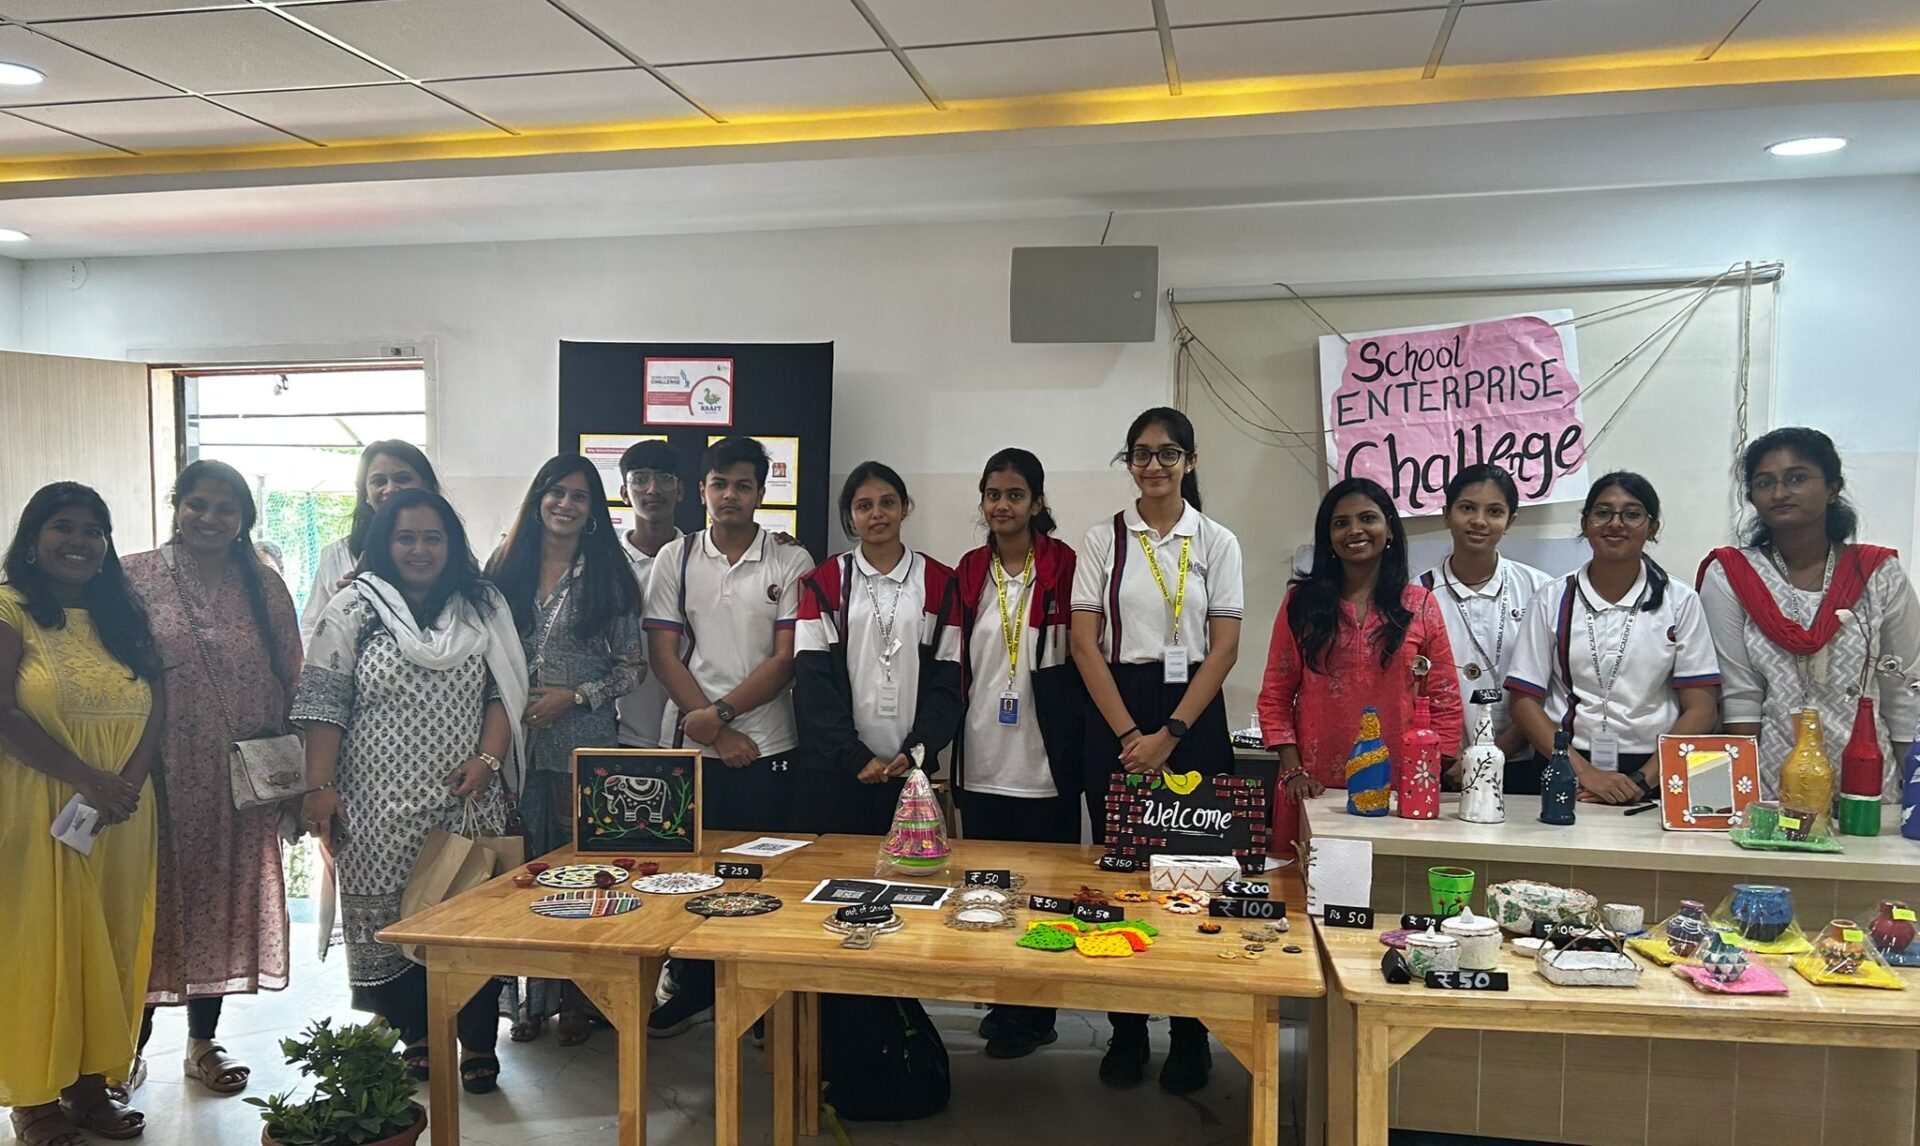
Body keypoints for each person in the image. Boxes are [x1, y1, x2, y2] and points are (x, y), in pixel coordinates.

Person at [292, 489, 528, 1094]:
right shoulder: (354, 607)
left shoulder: (481, 606)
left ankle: (478, 1042)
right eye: (406, 538)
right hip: (374, 805)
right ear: (384, 543)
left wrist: (488, 759)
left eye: (432, 538)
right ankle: (417, 1035)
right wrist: (320, 788)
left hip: (466, 800)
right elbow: (323, 701)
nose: (419, 550)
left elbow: (504, 692)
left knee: (470, 922)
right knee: (388, 925)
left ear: (450, 545)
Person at [1068, 407, 1241, 1095]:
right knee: (1123, 875)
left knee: (1192, 878)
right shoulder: (1101, 539)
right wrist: (1128, 738)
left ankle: (1191, 1035)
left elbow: (1224, 648)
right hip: (1117, 707)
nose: (1153, 465)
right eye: (1140, 453)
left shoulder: (1217, 540)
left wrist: (1168, 734)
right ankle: (1128, 1029)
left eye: (1168, 453)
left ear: (1189, 462)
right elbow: (1084, 644)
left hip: (1192, 712)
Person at [123, 461, 302, 1096]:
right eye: (197, 504)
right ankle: (124, 1051)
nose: (210, 518)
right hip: (154, 775)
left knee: (220, 905)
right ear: (177, 506)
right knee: (148, 908)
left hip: (238, 783)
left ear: (243, 519)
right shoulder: (133, 576)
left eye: (226, 508)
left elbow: (293, 677)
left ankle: (203, 1044)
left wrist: (299, 783)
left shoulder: (263, 584)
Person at [1, 482, 165, 1146]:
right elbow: (2, 715)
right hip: (40, 806)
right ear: (32, 540)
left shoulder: (120, 615)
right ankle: (34, 1098)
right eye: (62, 527)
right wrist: (87, 778)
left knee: (111, 941)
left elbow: (158, 703)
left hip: (120, 814)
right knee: (41, 945)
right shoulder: (9, 610)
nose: (78, 541)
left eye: (93, 531)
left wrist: (126, 783)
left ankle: (91, 1085)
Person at [643, 436, 815, 1038]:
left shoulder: (790, 560)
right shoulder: (677, 556)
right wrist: (715, 733)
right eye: (720, 484)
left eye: (744, 485)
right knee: (695, 874)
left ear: (762, 493)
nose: (730, 496)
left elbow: (787, 658)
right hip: (695, 748)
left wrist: (723, 715)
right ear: (701, 491)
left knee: (762, 876)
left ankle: (759, 1000)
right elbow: (662, 654)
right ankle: (692, 988)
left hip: (770, 743)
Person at [485, 455, 643, 1046]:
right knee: (519, 870)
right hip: (513, 743)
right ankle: (526, 1001)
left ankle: (578, 998)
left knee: (583, 872)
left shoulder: (610, 575)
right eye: (556, 492)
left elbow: (633, 668)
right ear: (538, 499)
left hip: (585, 744)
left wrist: (574, 696)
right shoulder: (502, 567)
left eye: (580, 496)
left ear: (594, 510)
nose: (566, 504)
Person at [1699, 427, 1920, 796]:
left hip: (1867, 782)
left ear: (1833, 487)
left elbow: (1904, 693)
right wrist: (1743, 797)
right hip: (1771, 784)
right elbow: (1739, 695)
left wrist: (1914, 795)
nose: (1779, 493)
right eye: (1765, 483)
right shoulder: (1731, 575)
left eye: (1796, 478)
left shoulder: (1878, 573)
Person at [952, 448, 1084, 1060]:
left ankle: (1036, 1011)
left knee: (1044, 894)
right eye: (993, 495)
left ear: (1036, 502)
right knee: (989, 891)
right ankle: (1003, 1000)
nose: (1002, 505)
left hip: (1043, 760)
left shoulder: (1062, 565)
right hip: (982, 756)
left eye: (1014, 495)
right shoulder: (969, 569)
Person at [1260, 478, 1463, 842]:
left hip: (1399, 790)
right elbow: (1275, 696)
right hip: (1312, 787)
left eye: (1367, 518)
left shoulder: (1419, 605)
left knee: (1392, 875)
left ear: (1389, 528)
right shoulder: (1301, 605)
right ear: (1329, 538)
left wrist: (1426, 775)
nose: (1354, 530)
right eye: (1341, 523)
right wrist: (1293, 772)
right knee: (1307, 876)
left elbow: (1445, 699)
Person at [1506, 472, 1722, 803]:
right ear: (1585, 522)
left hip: (1654, 770)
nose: (1616, 523)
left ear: (1653, 528)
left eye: (1632, 514)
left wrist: (1641, 782)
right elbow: (1523, 702)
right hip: (1565, 764)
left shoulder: (1680, 601)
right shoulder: (1551, 598)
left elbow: (1702, 709)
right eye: (1603, 512)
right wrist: (1586, 774)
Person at [794, 461, 963, 836]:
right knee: (836, 868)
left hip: (910, 771)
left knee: (913, 869)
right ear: (850, 516)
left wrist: (917, 751)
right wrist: (855, 756)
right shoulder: (825, 581)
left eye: (887, 503)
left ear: (904, 508)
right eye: (864, 506)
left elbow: (949, 681)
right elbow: (812, 682)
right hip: (837, 771)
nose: (877, 514)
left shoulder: (939, 582)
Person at [1415, 465, 1553, 792]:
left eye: (1494, 511)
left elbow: (1549, 686)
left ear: (1511, 521)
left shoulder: (1540, 590)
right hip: (1441, 766)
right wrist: (1449, 758)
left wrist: (1498, 751)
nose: (1479, 521)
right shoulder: (1417, 593)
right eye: (1467, 508)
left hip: (1521, 762)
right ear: (1446, 515)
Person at [299, 440, 438, 644]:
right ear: (365, 493)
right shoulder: (337, 555)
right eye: (379, 481)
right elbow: (311, 628)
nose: (390, 489)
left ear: (425, 485)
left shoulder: (448, 550)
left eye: (402, 478)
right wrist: (343, 604)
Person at [615, 440, 684, 749]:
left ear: (680, 490)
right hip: (621, 731)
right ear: (624, 493)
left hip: (694, 728)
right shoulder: (606, 564)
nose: (653, 489)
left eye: (664, 478)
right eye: (640, 479)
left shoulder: (699, 557)